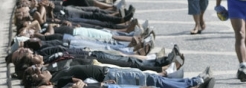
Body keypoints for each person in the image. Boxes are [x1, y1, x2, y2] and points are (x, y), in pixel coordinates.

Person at [22, 64, 214, 88]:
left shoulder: (58, 79)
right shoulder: (55, 82)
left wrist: (80, 83)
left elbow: (78, 81)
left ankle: (193, 83)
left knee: (150, 81)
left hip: (107, 78)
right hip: (109, 80)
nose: (40, 68)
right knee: (150, 82)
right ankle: (194, 82)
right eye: (36, 72)